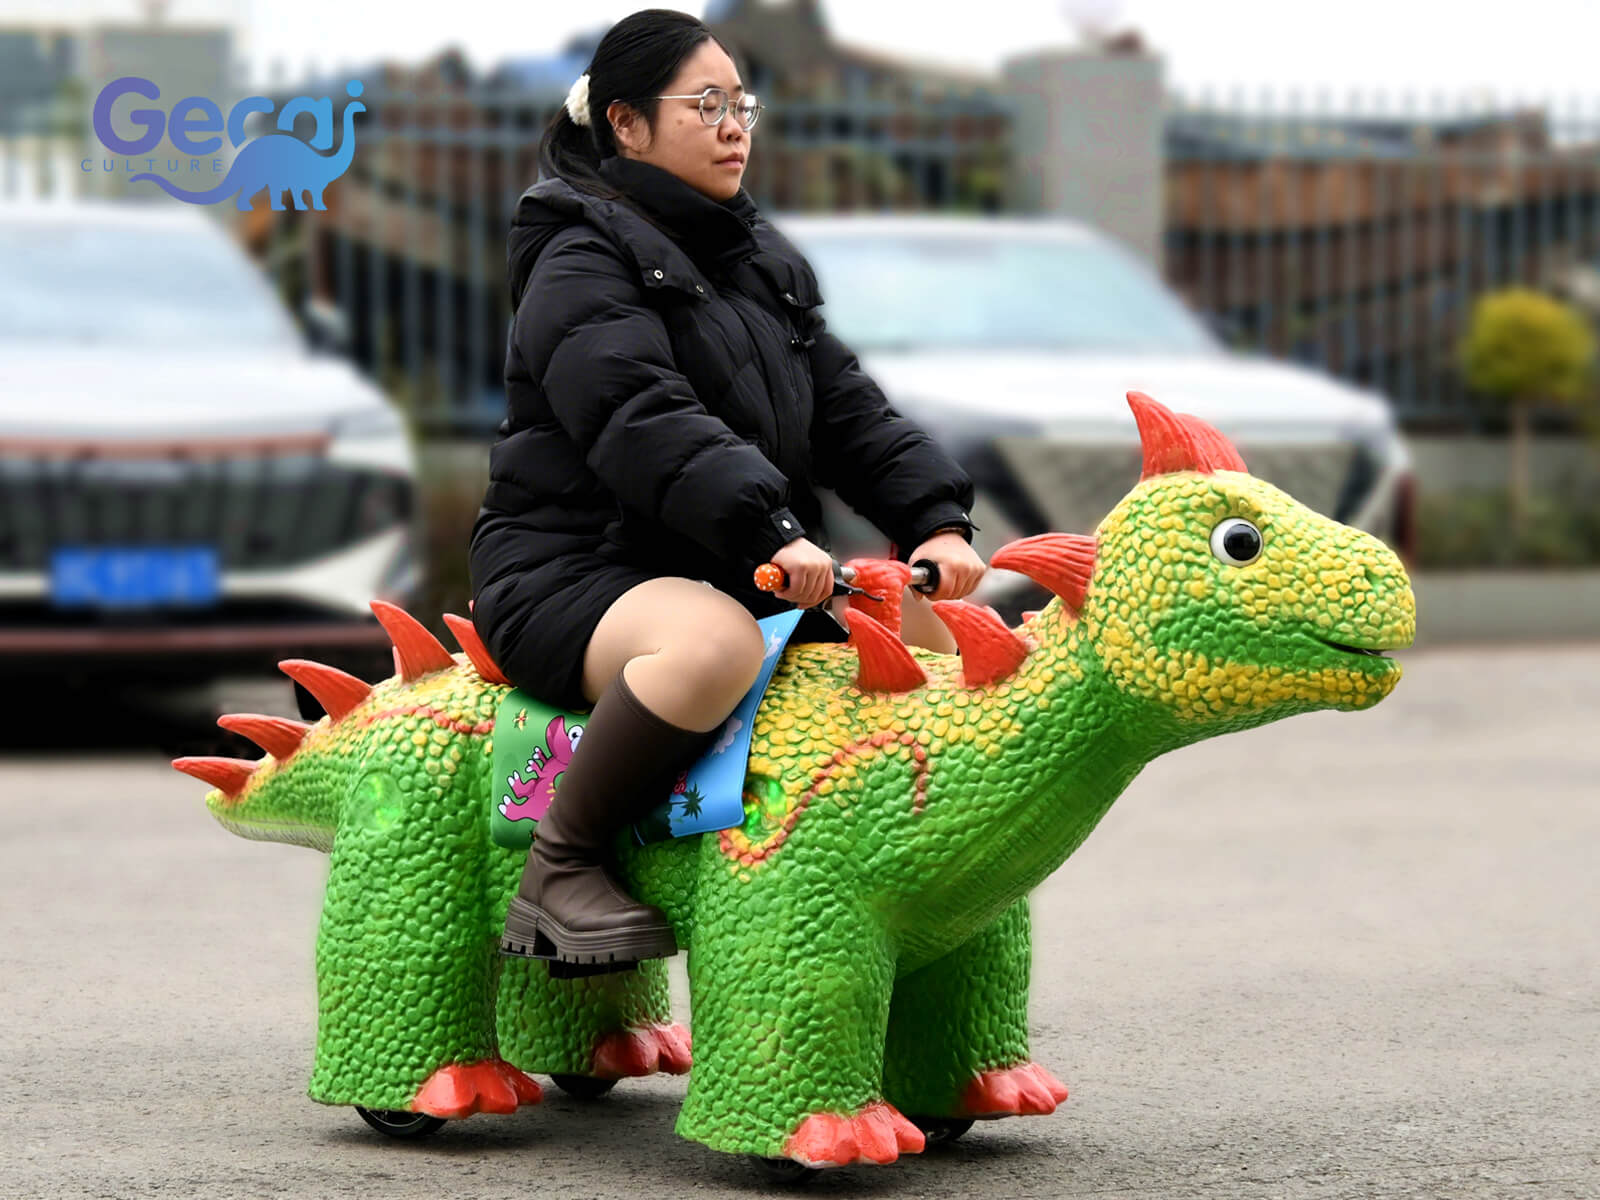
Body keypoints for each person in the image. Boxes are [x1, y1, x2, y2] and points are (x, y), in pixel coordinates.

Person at [468, 7, 987, 969]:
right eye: (705, 105)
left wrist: (935, 519)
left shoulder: (753, 262)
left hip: (729, 559)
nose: (734, 127)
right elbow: (640, 415)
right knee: (714, 645)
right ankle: (561, 865)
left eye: (741, 104)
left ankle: (916, 907)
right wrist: (770, 527)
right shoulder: (576, 256)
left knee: (930, 634)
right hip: (577, 571)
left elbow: (847, 410)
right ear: (626, 124)